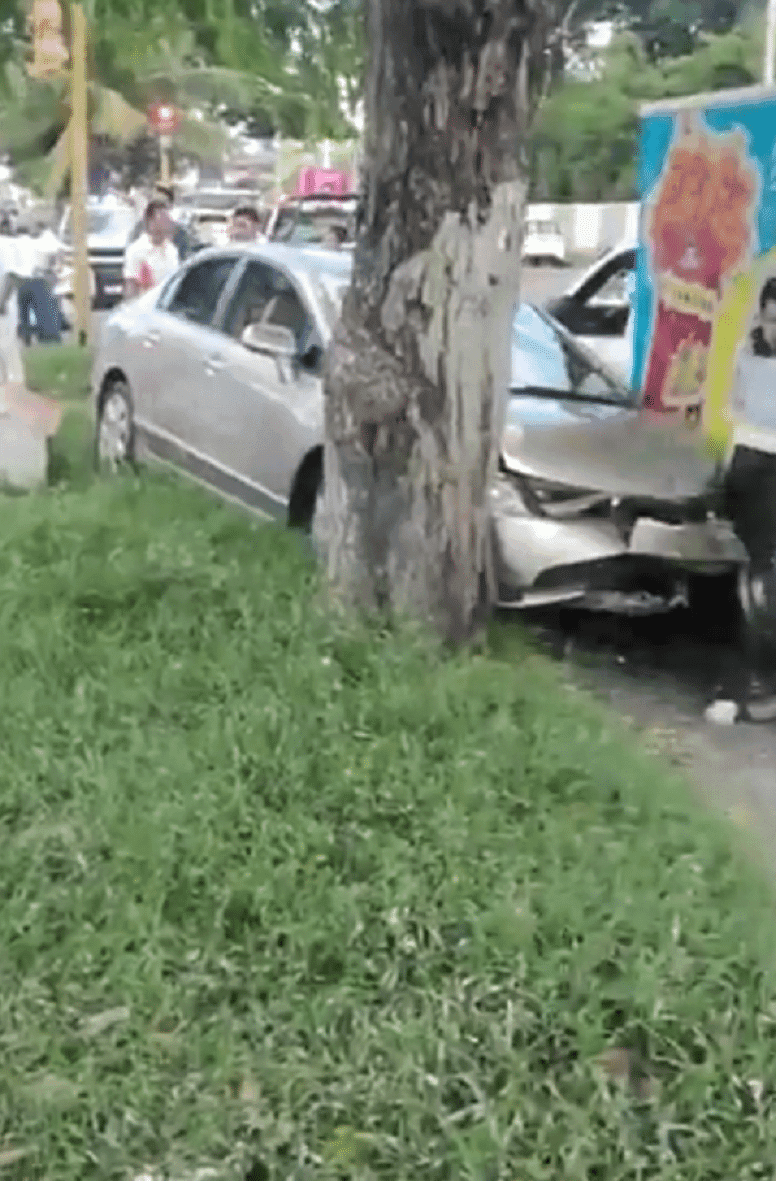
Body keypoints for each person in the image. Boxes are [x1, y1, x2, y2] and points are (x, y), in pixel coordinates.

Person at [705, 276, 776, 722]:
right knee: (750, 582)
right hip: (753, 469)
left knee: (762, 582)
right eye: (773, 320)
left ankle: (753, 684)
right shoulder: (748, 358)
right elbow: (735, 417)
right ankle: (737, 685)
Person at [11, 220, 63, 345]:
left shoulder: (17, 247)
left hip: (25, 282)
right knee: (48, 303)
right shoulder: (43, 242)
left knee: (24, 306)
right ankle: (45, 329)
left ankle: (26, 331)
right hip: (41, 280)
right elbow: (55, 258)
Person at [123, 199, 179, 300]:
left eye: (168, 218)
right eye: (163, 218)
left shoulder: (172, 250)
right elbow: (131, 290)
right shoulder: (137, 250)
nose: (168, 221)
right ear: (151, 222)